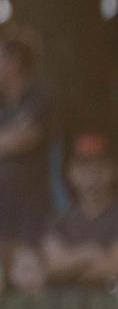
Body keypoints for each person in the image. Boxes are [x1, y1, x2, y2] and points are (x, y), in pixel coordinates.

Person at [41, 134, 118, 289]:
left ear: (112, 171)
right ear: (70, 174)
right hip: (68, 306)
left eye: (99, 169)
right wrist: (90, 253)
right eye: (84, 170)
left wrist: (73, 264)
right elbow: (53, 265)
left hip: (114, 306)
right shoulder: (59, 220)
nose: (92, 178)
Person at [0, 35, 51, 258]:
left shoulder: (41, 96)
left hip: (34, 197)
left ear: (16, 61)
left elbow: (27, 139)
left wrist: (13, 138)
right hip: (3, 199)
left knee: (28, 256)